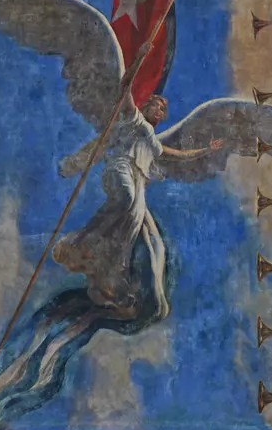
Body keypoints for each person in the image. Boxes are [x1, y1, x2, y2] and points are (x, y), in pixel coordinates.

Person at [52, 94, 222, 317]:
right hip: (122, 167)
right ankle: (82, 241)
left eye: (163, 109)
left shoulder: (153, 141)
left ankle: (110, 273)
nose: (160, 111)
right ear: (146, 106)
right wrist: (131, 74)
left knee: (130, 228)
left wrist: (206, 150)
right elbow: (127, 97)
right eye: (157, 106)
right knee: (125, 199)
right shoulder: (134, 120)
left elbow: (179, 155)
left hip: (139, 179)